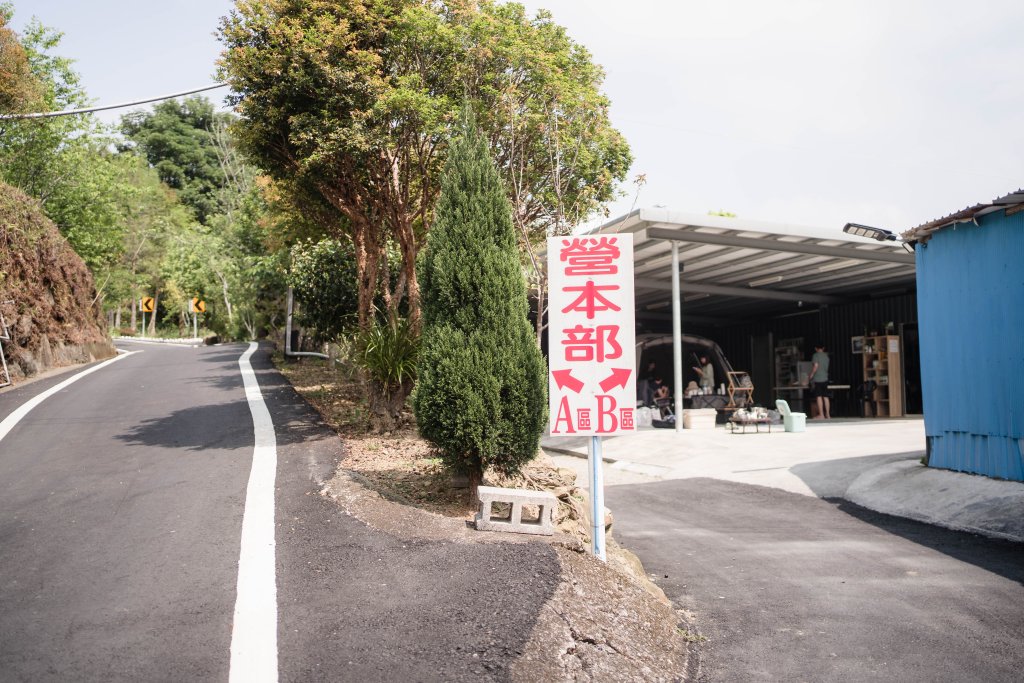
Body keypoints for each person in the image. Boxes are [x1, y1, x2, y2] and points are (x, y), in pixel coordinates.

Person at [808, 343, 831, 419]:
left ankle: (821, 414)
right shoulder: (826, 356)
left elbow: (816, 366)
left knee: (819, 396)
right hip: (825, 378)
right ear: (823, 348)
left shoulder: (816, 355)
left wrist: (811, 375)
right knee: (826, 397)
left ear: (815, 348)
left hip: (818, 379)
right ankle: (828, 414)